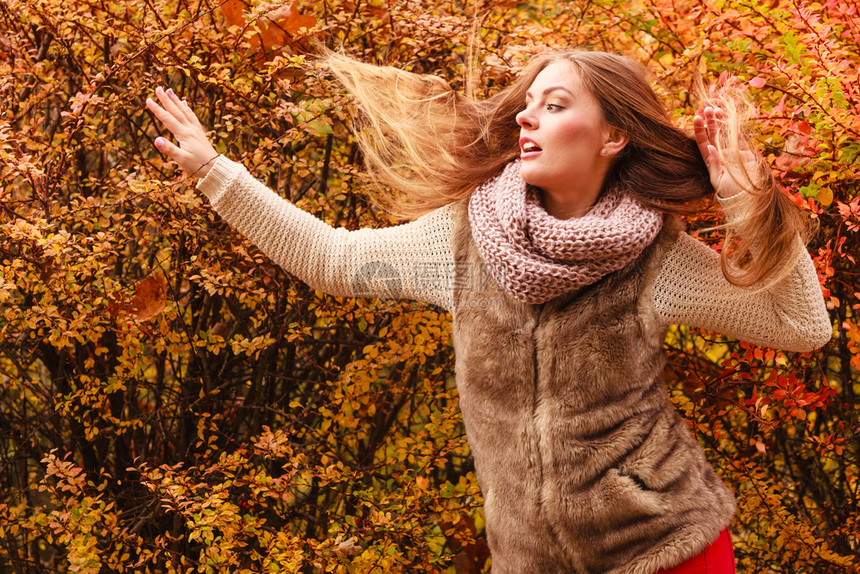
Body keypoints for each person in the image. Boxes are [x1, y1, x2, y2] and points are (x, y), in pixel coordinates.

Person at [145, 49, 831, 574]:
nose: (528, 116)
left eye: (556, 104)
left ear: (614, 136)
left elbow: (803, 328)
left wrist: (749, 207)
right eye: (529, 103)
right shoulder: (464, 241)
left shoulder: (656, 259)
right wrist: (215, 172)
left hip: (665, 551)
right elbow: (332, 260)